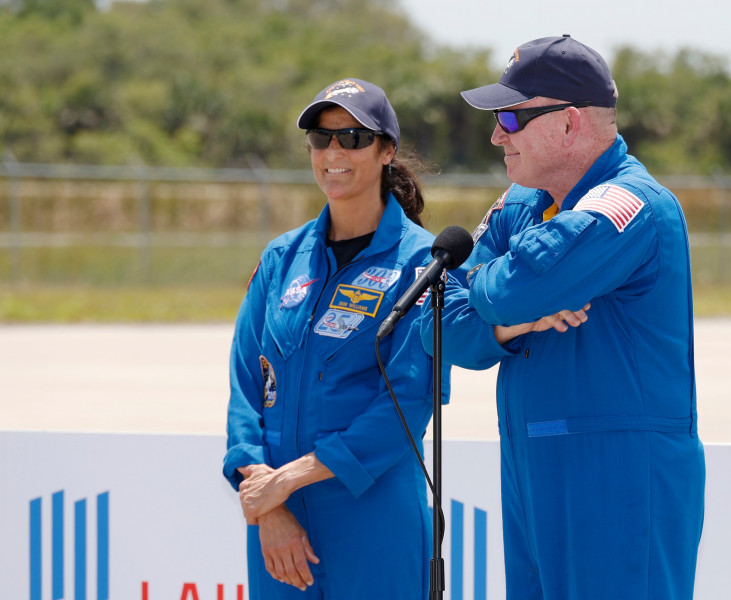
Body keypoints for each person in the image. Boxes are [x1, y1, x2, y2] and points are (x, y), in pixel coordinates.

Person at [421, 35, 706, 599]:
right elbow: (442, 326)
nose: (497, 133)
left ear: (569, 123)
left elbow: (506, 287)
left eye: (511, 116)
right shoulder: (521, 204)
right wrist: (511, 322)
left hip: (616, 475)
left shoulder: (632, 204)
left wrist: (499, 293)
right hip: (531, 465)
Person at [224, 78, 445, 599]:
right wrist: (270, 502)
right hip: (279, 523)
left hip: (372, 514)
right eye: (321, 139)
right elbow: (245, 383)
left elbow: (410, 399)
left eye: (352, 137)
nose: (333, 152)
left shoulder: (422, 261)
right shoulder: (283, 256)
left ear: (386, 151)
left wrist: (291, 478)